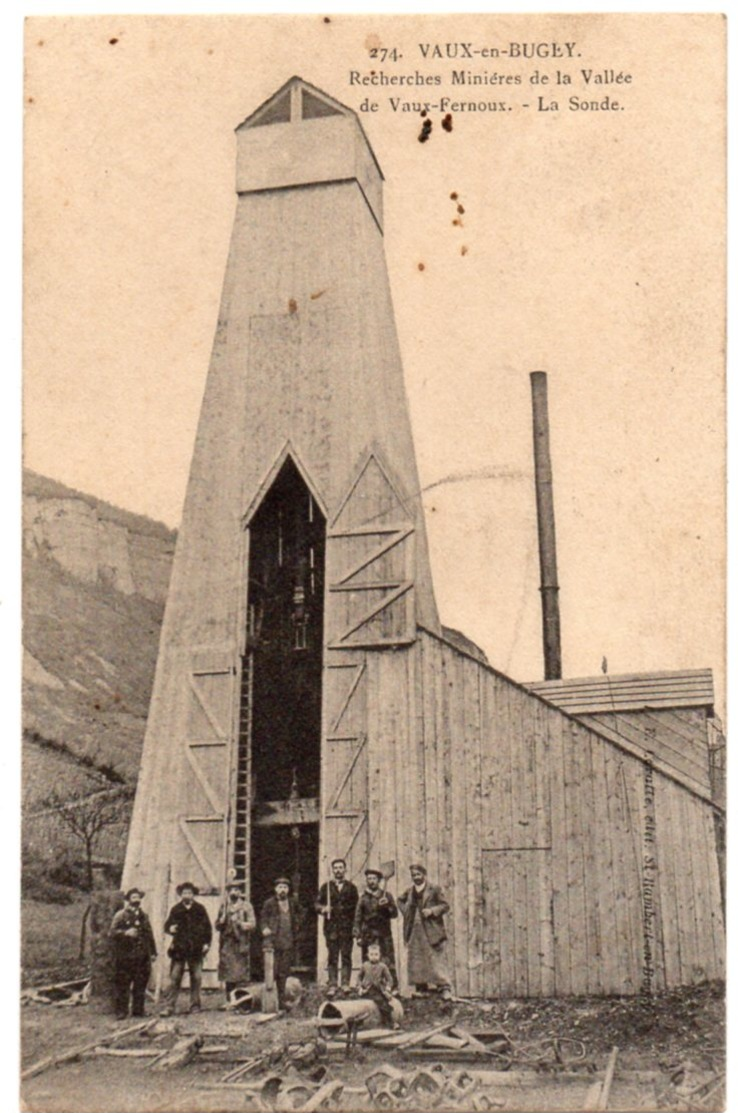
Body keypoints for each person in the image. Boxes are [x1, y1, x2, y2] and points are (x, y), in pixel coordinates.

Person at [397, 863, 451, 996]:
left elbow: (445, 905)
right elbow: (399, 900)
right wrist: (407, 912)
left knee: (435, 958)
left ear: (424, 875)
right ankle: (421, 988)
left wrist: (432, 911)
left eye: (418, 874)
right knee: (416, 958)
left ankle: (444, 988)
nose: (416, 877)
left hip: (431, 929)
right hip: (415, 929)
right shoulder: (410, 891)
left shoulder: (434, 889)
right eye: (413, 875)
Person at [160, 881, 212, 1016]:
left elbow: (208, 928)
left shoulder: (200, 909)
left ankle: (195, 1006)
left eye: (189, 892)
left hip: (196, 948)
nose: (187, 895)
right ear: (181, 895)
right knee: (175, 977)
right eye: (184, 893)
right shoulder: (176, 909)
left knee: (197, 977)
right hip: (179, 949)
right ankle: (169, 1007)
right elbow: (167, 926)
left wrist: (207, 943)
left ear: (193, 894)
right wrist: (170, 928)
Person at [109, 888, 157, 1019]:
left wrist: (153, 952)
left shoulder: (144, 916)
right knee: (123, 984)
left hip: (142, 956)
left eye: (138, 897)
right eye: (134, 897)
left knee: (140, 984)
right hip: (125, 956)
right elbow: (112, 933)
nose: (136, 900)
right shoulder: (120, 915)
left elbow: (149, 934)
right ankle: (121, 1011)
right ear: (128, 899)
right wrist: (125, 933)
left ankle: (138, 1011)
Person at [315, 858, 359, 995]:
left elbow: (357, 909)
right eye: (336, 868)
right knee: (332, 956)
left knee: (346, 955)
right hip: (331, 928)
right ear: (333, 870)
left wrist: (355, 926)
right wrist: (323, 908)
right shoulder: (325, 887)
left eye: (341, 867)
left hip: (346, 927)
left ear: (345, 870)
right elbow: (316, 904)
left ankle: (345, 983)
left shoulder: (351, 888)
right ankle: (333, 984)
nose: (338, 870)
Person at [260, 877, 302, 1012]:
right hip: (273, 942)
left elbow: (302, 913)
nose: (282, 890)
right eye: (280, 887)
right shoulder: (269, 903)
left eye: (285, 887)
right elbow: (263, 919)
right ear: (275, 889)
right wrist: (265, 928)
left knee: (283, 972)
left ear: (288, 890)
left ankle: (282, 999)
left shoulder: (293, 903)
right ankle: (270, 1000)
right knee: (272, 971)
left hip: (288, 941)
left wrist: (297, 924)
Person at [353, 867, 399, 989]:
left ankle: (391, 988)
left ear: (378, 880)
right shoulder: (363, 898)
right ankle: (367, 987)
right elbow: (358, 917)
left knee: (387, 961)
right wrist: (357, 936)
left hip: (384, 935)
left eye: (374, 878)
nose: (371, 881)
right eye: (369, 879)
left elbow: (394, 914)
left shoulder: (386, 896)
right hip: (368, 935)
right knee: (367, 962)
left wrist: (387, 906)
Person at [215, 880, 256, 1005]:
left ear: (240, 892)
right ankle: (229, 1001)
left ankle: (241, 1001)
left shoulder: (246, 906)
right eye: (232, 890)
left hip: (240, 943)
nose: (234, 892)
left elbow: (253, 924)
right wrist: (221, 921)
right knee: (228, 973)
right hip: (227, 943)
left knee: (240, 973)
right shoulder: (224, 906)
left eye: (237, 890)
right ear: (228, 892)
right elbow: (217, 926)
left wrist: (240, 923)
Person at [358, 940, 402, 1029]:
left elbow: (390, 979)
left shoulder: (382, 966)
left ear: (380, 955)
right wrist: (359, 988)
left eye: (376, 954)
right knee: (359, 1006)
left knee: (383, 1005)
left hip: (377, 990)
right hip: (366, 990)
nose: (374, 957)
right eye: (371, 954)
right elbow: (359, 977)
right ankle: (360, 1024)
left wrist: (388, 987)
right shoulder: (365, 966)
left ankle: (391, 1022)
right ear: (368, 955)